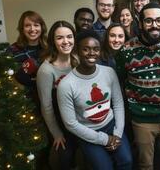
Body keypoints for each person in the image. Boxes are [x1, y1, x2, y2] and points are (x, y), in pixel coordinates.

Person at [117, 2, 160, 170]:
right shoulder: (126, 51)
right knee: (145, 165)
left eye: (159, 20)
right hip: (142, 119)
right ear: (140, 23)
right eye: (149, 21)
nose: (155, 25)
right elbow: (120, 82)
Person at [57, 29, 132, 170]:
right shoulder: (66, 85)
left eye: (96, 49)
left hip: (112, 126)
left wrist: (117, 133)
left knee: (126, 161)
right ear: (77, 51)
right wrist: (104, 140)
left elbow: (118, 103)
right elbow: (70, 124)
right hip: (88, 132)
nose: (92, 53)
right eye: (86, 49)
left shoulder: (109, 72)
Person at [7, 10, 49, 169]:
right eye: (27, 25)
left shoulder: (49, 48)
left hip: (46, 101)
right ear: (22, 28)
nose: (32, 29)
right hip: (25, 104)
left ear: (42, 27)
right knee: (30, 142)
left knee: (49, 140)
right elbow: (7, 79)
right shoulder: (12, 51)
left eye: (36, 25)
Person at [36, 21, 78, 169]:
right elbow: (46, 106)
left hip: (79, 120)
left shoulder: (77, 60)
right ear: (53, 41)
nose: (66, 41)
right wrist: (57, 133)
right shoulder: (46, 70)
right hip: (60, 123)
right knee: (64, 159)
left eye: (69, 36)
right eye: (60, 38)